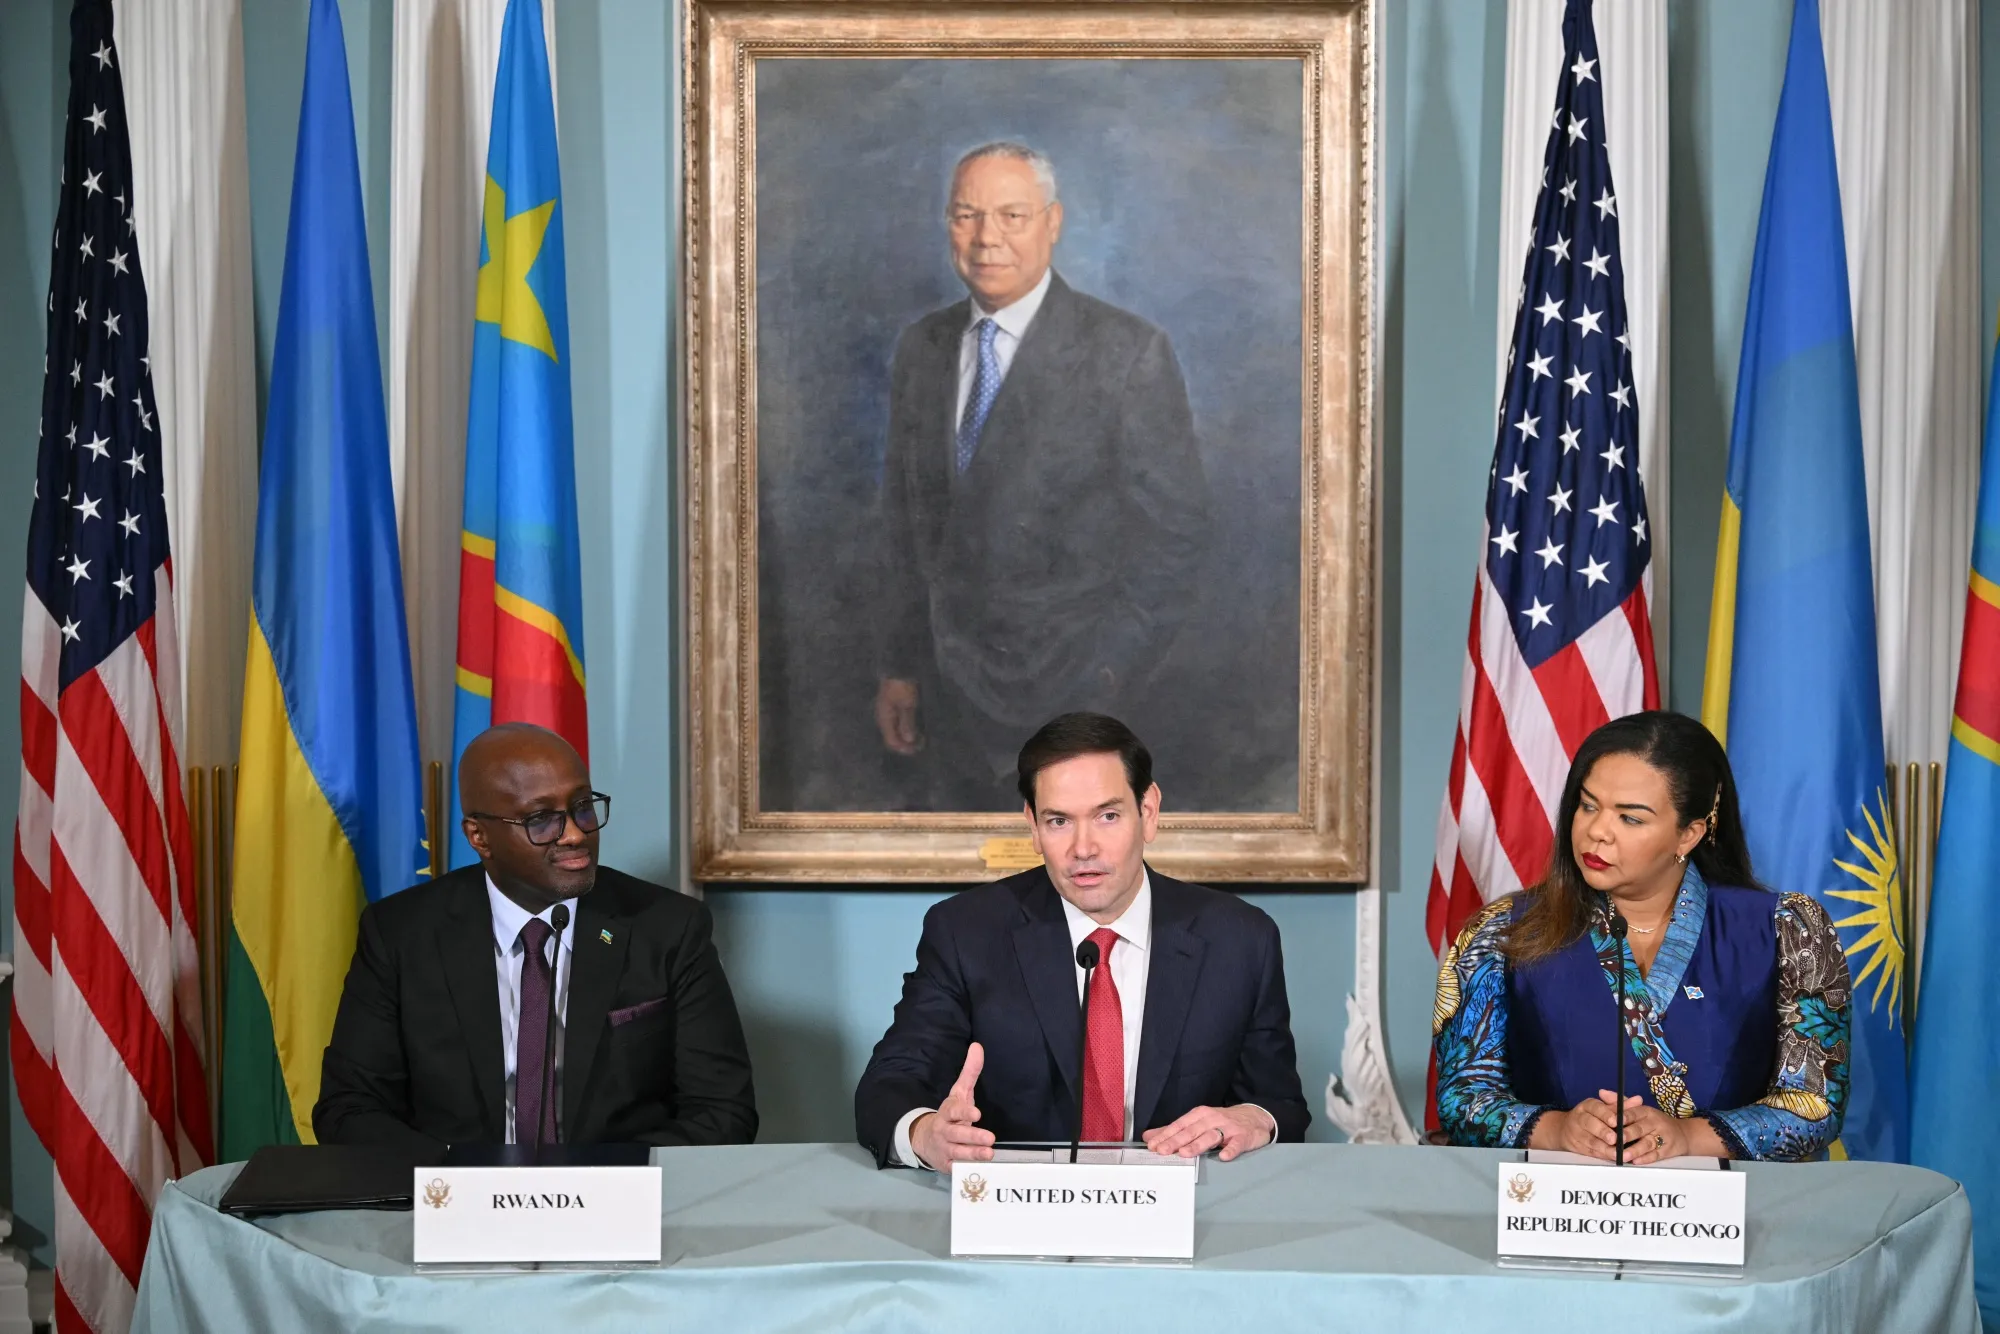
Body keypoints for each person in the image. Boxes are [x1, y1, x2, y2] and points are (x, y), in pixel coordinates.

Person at [873, 141, 1212, 808]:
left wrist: (1102, 678)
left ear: (1052, 223)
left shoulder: (1126, 352)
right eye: (966, 215)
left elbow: (1177, 537)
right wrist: (900, 668)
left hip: (1074, 701)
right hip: (944, 699)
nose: (985, 238)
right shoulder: (923, 348)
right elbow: (902, 525)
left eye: (1011, 216)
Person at [854, 712, 1308, 1169]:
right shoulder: (966, 933)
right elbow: (889, 1085)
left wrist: (1254, 1119)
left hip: (1186, 1215)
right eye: (1058, 821)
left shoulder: (1240, 939)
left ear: (1148, 812)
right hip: (1017, 1216)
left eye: (1108, 816)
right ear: (1032, 825)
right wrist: (924, 1134)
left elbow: (1281, 1106)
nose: (1084, 848)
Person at [313, 723, 757, 1154]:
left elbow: (723, 1111)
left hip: (613, 1207)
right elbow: (349, 1108)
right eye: (542, 819)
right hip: (454, 1207)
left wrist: (595, 1185)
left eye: (583, 805)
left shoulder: (669, 927)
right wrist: (459, 1181)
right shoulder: (400, 933)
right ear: (479, 837)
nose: (576, 833)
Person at [1433, 711, 1852, 1162]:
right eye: (1588, 805)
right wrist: (1557, 1130)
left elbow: (1815, 1106)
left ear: (1689, 834)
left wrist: (1689, 1138)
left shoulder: (1788, 930)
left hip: (1737, 1219)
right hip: (1553, 1214)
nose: (1597, 831)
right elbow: (1463, 1099)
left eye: (1630, 819)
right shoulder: (1501, 933)